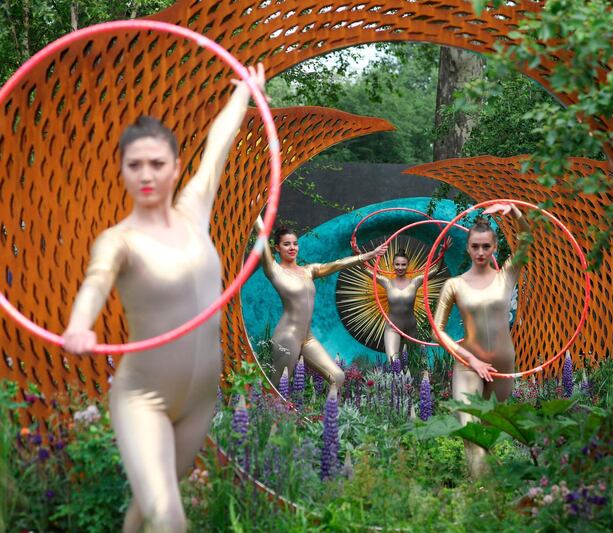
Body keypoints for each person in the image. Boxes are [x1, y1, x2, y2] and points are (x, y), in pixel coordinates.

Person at [61, 64, 268, 532]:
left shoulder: (195, 210)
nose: (147, 175)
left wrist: (245, 94)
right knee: (170, 519)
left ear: (175, 166)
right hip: (144, 397)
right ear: (122, 171)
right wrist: (79, 325)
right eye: (135, 165)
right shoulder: (120, 240)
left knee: (150, 509)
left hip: (198, 397)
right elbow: (95, 283)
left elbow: (218, 147)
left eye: (157, 163)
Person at [433, 203, 530, 477]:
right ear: (467, 248)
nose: (480, 252)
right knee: (470, 430)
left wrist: (515, 212)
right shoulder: (454, 284)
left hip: (502, 365)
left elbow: (527, 239)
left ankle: (487, 497)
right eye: (475, 246)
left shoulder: (507, 275)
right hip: (467, 363)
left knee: (489, 433)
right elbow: (436, 330)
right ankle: (483, 494)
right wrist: (471, 359)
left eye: (486, 246)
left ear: (495, 248)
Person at [255, 218, 387, 388]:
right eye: (286, 244)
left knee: (337, 377)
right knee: (279, 387)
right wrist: (257, 218)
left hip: (307, 338)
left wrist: (367, 256)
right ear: (277, 248)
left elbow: (337, 264)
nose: (292, 247)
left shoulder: (308, 271)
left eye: (295, 243)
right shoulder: (274, 271)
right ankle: (264, 413)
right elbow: (262, 239)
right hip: (287, 336)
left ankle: (328, 415)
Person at [376, 249, 440, 363]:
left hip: (411, 329)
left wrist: (441, 254)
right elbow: (364, 269)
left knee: (414, 364)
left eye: (403, 264)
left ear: (407, 265)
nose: (400, 267)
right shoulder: (386, 282)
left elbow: (436, 269)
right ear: (393, 265)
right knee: (393, 364)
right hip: (392, 328)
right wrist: (359, 255)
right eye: (397, 264)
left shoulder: (415, 282)